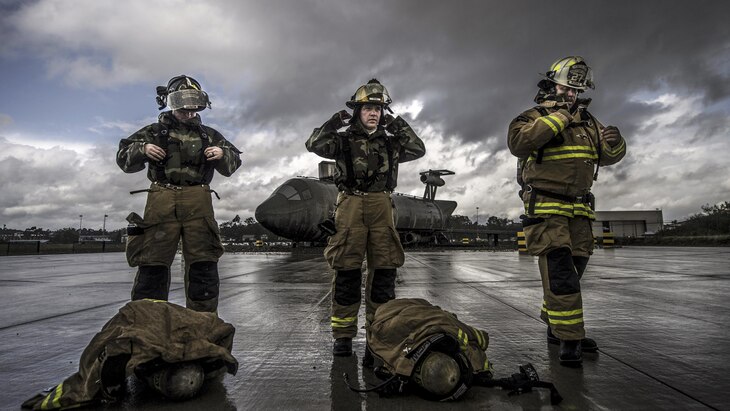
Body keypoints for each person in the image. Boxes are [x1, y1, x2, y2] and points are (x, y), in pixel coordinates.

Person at [507, 57, 627, 365]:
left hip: (580, 210)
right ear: (551, 85)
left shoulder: (588, 121)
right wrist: (559, 117)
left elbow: (607, 156)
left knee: (575, 270)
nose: (572, 95)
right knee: (562, 276)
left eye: (576, 90)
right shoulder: (531, 116)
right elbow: (519, 142)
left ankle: (556, 325)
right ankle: (570, 338)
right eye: (566, 88)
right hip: (547, 209)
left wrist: (616, 143)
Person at [305, 79, 426, 358]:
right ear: (358, 111)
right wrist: (335, 121)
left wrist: (397, 124)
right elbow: (314, 143)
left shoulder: (391, 142)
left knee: (384, 270)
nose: (374, 113)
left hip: (382, 204)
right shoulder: (343, 140)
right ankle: (343, 336)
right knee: (346, 270)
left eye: (379, 109)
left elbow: (417, 148)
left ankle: (379, 332)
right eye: (369, 108)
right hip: (350, 203)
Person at [117, 75, 242, 313]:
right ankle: (148, 322)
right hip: (162, 198)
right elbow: (123, 159)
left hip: (198, 200)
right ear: (170, 102)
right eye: (183, 105)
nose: (188, 111)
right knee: (152, 263)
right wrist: (141, 148)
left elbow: (233, 162)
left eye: (193, 105)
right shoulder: (153, 132)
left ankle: (203, 322)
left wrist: (223, 154)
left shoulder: (210, 135)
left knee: (203, 263)